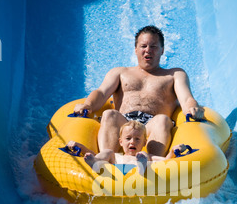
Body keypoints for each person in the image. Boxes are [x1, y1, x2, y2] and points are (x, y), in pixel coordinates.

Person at [73, 25, 204, 157]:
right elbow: (101, 93)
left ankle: (153, 165)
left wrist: (192, 107)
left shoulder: (174, 74)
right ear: (136, 49)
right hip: (125, 124)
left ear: (162, 50)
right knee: (109, 114)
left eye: (153, 47)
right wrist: (88, 104)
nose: (148, 50)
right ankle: (107, 159)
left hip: (152, 125)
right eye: (143, 46)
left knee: (162, 120)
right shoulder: (120, 72)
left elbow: (186, 98)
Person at [67, 120, 185, 175]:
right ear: (121, 142)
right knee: (107, 151)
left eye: (137, 139)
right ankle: (96, 164)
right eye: (128, 139)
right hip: (115, 169)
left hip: (140, 168)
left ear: (144, 143)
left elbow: (166, 161)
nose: (132, 142)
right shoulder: (116, 156)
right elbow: (90, 153)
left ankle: (141, 168)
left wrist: (173, 151)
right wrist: (81, 147)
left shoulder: (146, 156)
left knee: (143, 156)